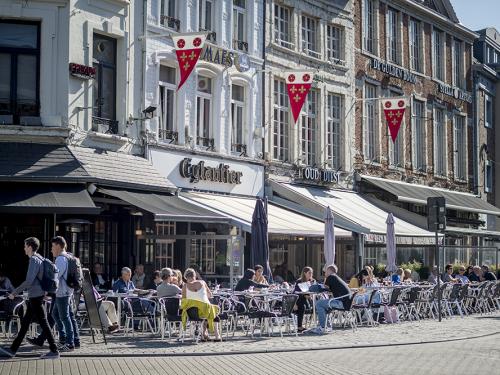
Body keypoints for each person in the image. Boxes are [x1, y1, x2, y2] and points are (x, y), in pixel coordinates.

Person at [0, 237, 59, 359]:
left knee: (44, 323)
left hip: (35, 296)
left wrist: (14, 293)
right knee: (26, 323)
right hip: (36, 295)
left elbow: (28, 281)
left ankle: (54, 350)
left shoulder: (33, 260)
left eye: (25, 246)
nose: (24, 248)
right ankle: (13, 349)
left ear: (30, 247)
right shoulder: (40, 258)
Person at [181, 268, 221, 341]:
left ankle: (204, 334)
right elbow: (210, 295)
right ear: (195, 275)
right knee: (212, 312)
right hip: (205, 311)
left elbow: (183, 300)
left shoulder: (184, 287)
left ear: (185, 277)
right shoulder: (202, 282)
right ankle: (217, 335)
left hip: (191, 313)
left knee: (205, 312)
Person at [309, 264, 351, 334]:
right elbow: (329, 289)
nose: (324, 273)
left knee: (319, 304)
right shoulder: (336, 278)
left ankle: (322, 327)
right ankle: (327, 326)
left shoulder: (331, 277)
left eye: (325, 271)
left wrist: (312, 287)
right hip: (346, 303)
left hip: (341, 303)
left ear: (329, 271)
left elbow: (324, 287)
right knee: (324, 304)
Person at [293, 267, 316, 332]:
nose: (311, 274)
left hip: (308, 299)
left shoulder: (312, 281)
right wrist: (294, 304)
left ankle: (316, 325)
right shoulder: (299, 281)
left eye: (312, 273)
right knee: (302, 306)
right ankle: (299, 326)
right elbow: (295, 293)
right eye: (309, 273)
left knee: (316, 305)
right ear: (304, 273)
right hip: (298, 299)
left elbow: (312, 292)